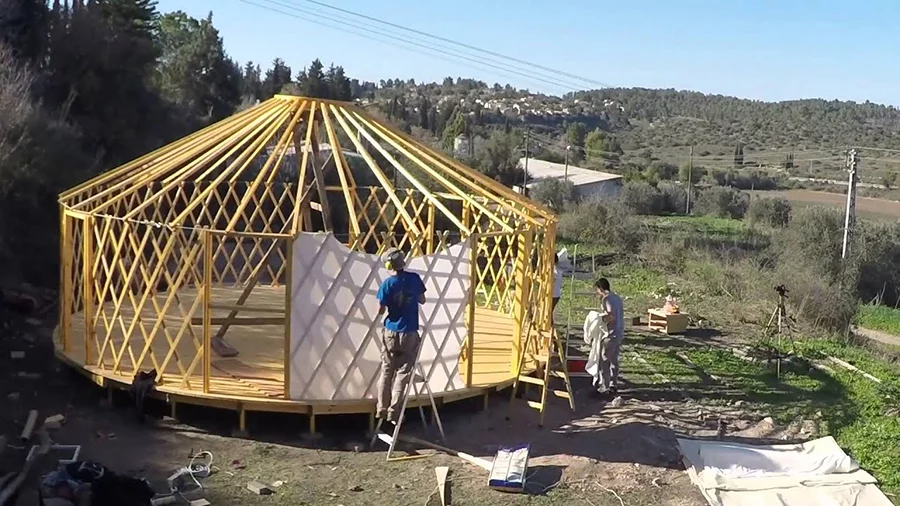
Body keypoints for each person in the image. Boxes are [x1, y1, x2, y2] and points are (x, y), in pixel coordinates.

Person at [375, 248, 427, 423]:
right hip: (409, 331)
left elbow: (380, 310)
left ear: (388, 265)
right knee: (403, 372)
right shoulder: (414, 279)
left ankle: (381, 408)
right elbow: (422, 299)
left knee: (387, 370)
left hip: (390, 332)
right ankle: (394, 411)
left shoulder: (387, 284)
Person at [594, 277, 624, 397]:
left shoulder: (607, 299)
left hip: (611, 333)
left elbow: (611, 315)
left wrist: (600, 319)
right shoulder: (617, 297)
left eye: (597, 290)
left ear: (600, 289)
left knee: (604, 360)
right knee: (614, 360)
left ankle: (604, 387)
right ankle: (613, 384)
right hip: (619, 332)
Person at [551, 253, 563, 321]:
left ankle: (550, 326)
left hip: (553, 294)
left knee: (549, 312)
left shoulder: (554, 271)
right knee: (550, 312)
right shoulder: (559, 270)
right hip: (557, 293)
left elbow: (552, 281)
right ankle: (550, 325)